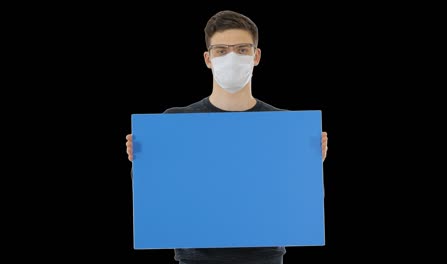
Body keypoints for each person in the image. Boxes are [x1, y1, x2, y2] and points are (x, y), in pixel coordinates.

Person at [125, 10, 328, 264]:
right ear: (208, 58)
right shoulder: (174, 122)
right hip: (195, 259)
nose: (232, 57)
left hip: (264, 258)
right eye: (221, 50)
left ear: (256, 55)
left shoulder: (285, 126)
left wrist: (311, 165)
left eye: (242, 49)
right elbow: (159, 200)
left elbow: (299, 207)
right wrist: (142, 163)